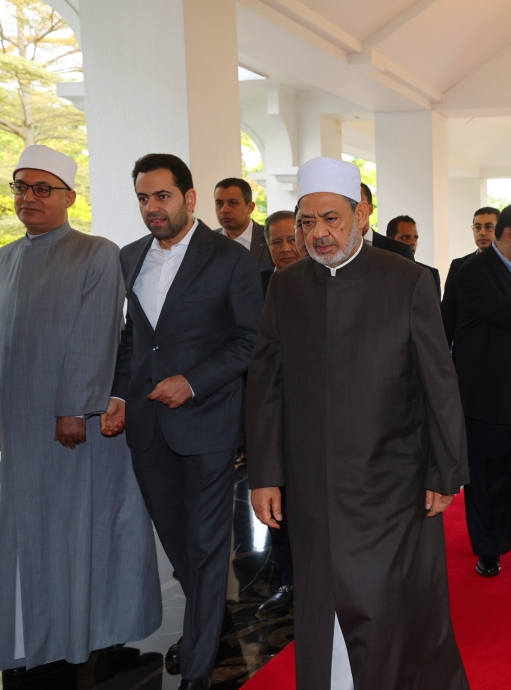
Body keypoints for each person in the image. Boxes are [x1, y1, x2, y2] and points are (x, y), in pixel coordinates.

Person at [247, 157, 470, 690]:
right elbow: (266, 386)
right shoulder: (286, 285)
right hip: (312, 485)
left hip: (392, 484)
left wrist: (446, 469)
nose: (318, 233)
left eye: (331, 219)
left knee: (388, 606)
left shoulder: (408, 280)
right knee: (322, 602)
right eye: (306, 222)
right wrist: (264, 473)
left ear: (361, 213)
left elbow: (439, 381)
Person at [0, 145, 161, 672]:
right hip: (16, 426)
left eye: (42, 188)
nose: (29, 197)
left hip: (70, 426)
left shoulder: (95, 251)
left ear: (69, 196)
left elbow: (96, 336)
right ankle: (28, 636)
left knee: (74, 531)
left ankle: (86, 630)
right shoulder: (5, 256)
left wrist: (74, 407)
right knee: (22, 534)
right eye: (20, 187)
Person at [110, 154, 263, 690]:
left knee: (205, 544)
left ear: (189, 198)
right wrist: (117, 396)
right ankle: (208, 619)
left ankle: (198, 670)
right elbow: (134, 339)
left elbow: (250, 339)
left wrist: (193, 381)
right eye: (143, 199)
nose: (152, 208)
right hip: (147, 427)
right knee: (178, 543)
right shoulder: (129, 258)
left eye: (162, 197)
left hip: (207, 423)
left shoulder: (230, 260)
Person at [453, 202, 511, 575]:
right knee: (488, 479)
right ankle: (489, 549)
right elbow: (505, 311)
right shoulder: (474, 270)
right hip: (486, 396)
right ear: (509, 234)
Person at [255, 209, 300, 617]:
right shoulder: (261, 287)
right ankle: (288, 583)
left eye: (291, 239)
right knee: (279, 512)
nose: (285, 249)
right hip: (276, 423)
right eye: (276, 242)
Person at [441, 206, 500, 346]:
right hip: (467, 348)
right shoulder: (459, 265)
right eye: (477, 227)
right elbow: (448, 313)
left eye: (489, 227)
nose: (482, 232)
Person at [214, 177, 274, 287]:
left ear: (250, 207)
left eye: (232, 203)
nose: (224, 210)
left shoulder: (270, 238)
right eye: (219, 204)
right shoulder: (207, 241)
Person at [386, 214, 442, 295]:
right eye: (405, 237)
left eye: (415, 238)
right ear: (390, 241)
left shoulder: (430, 274)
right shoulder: (378, 272)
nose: (412, 242)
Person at [358, 182, 415, 260]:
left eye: (358, 201)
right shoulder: (337, 249)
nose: (352, 206)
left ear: (370, 209)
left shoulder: (399, 251)